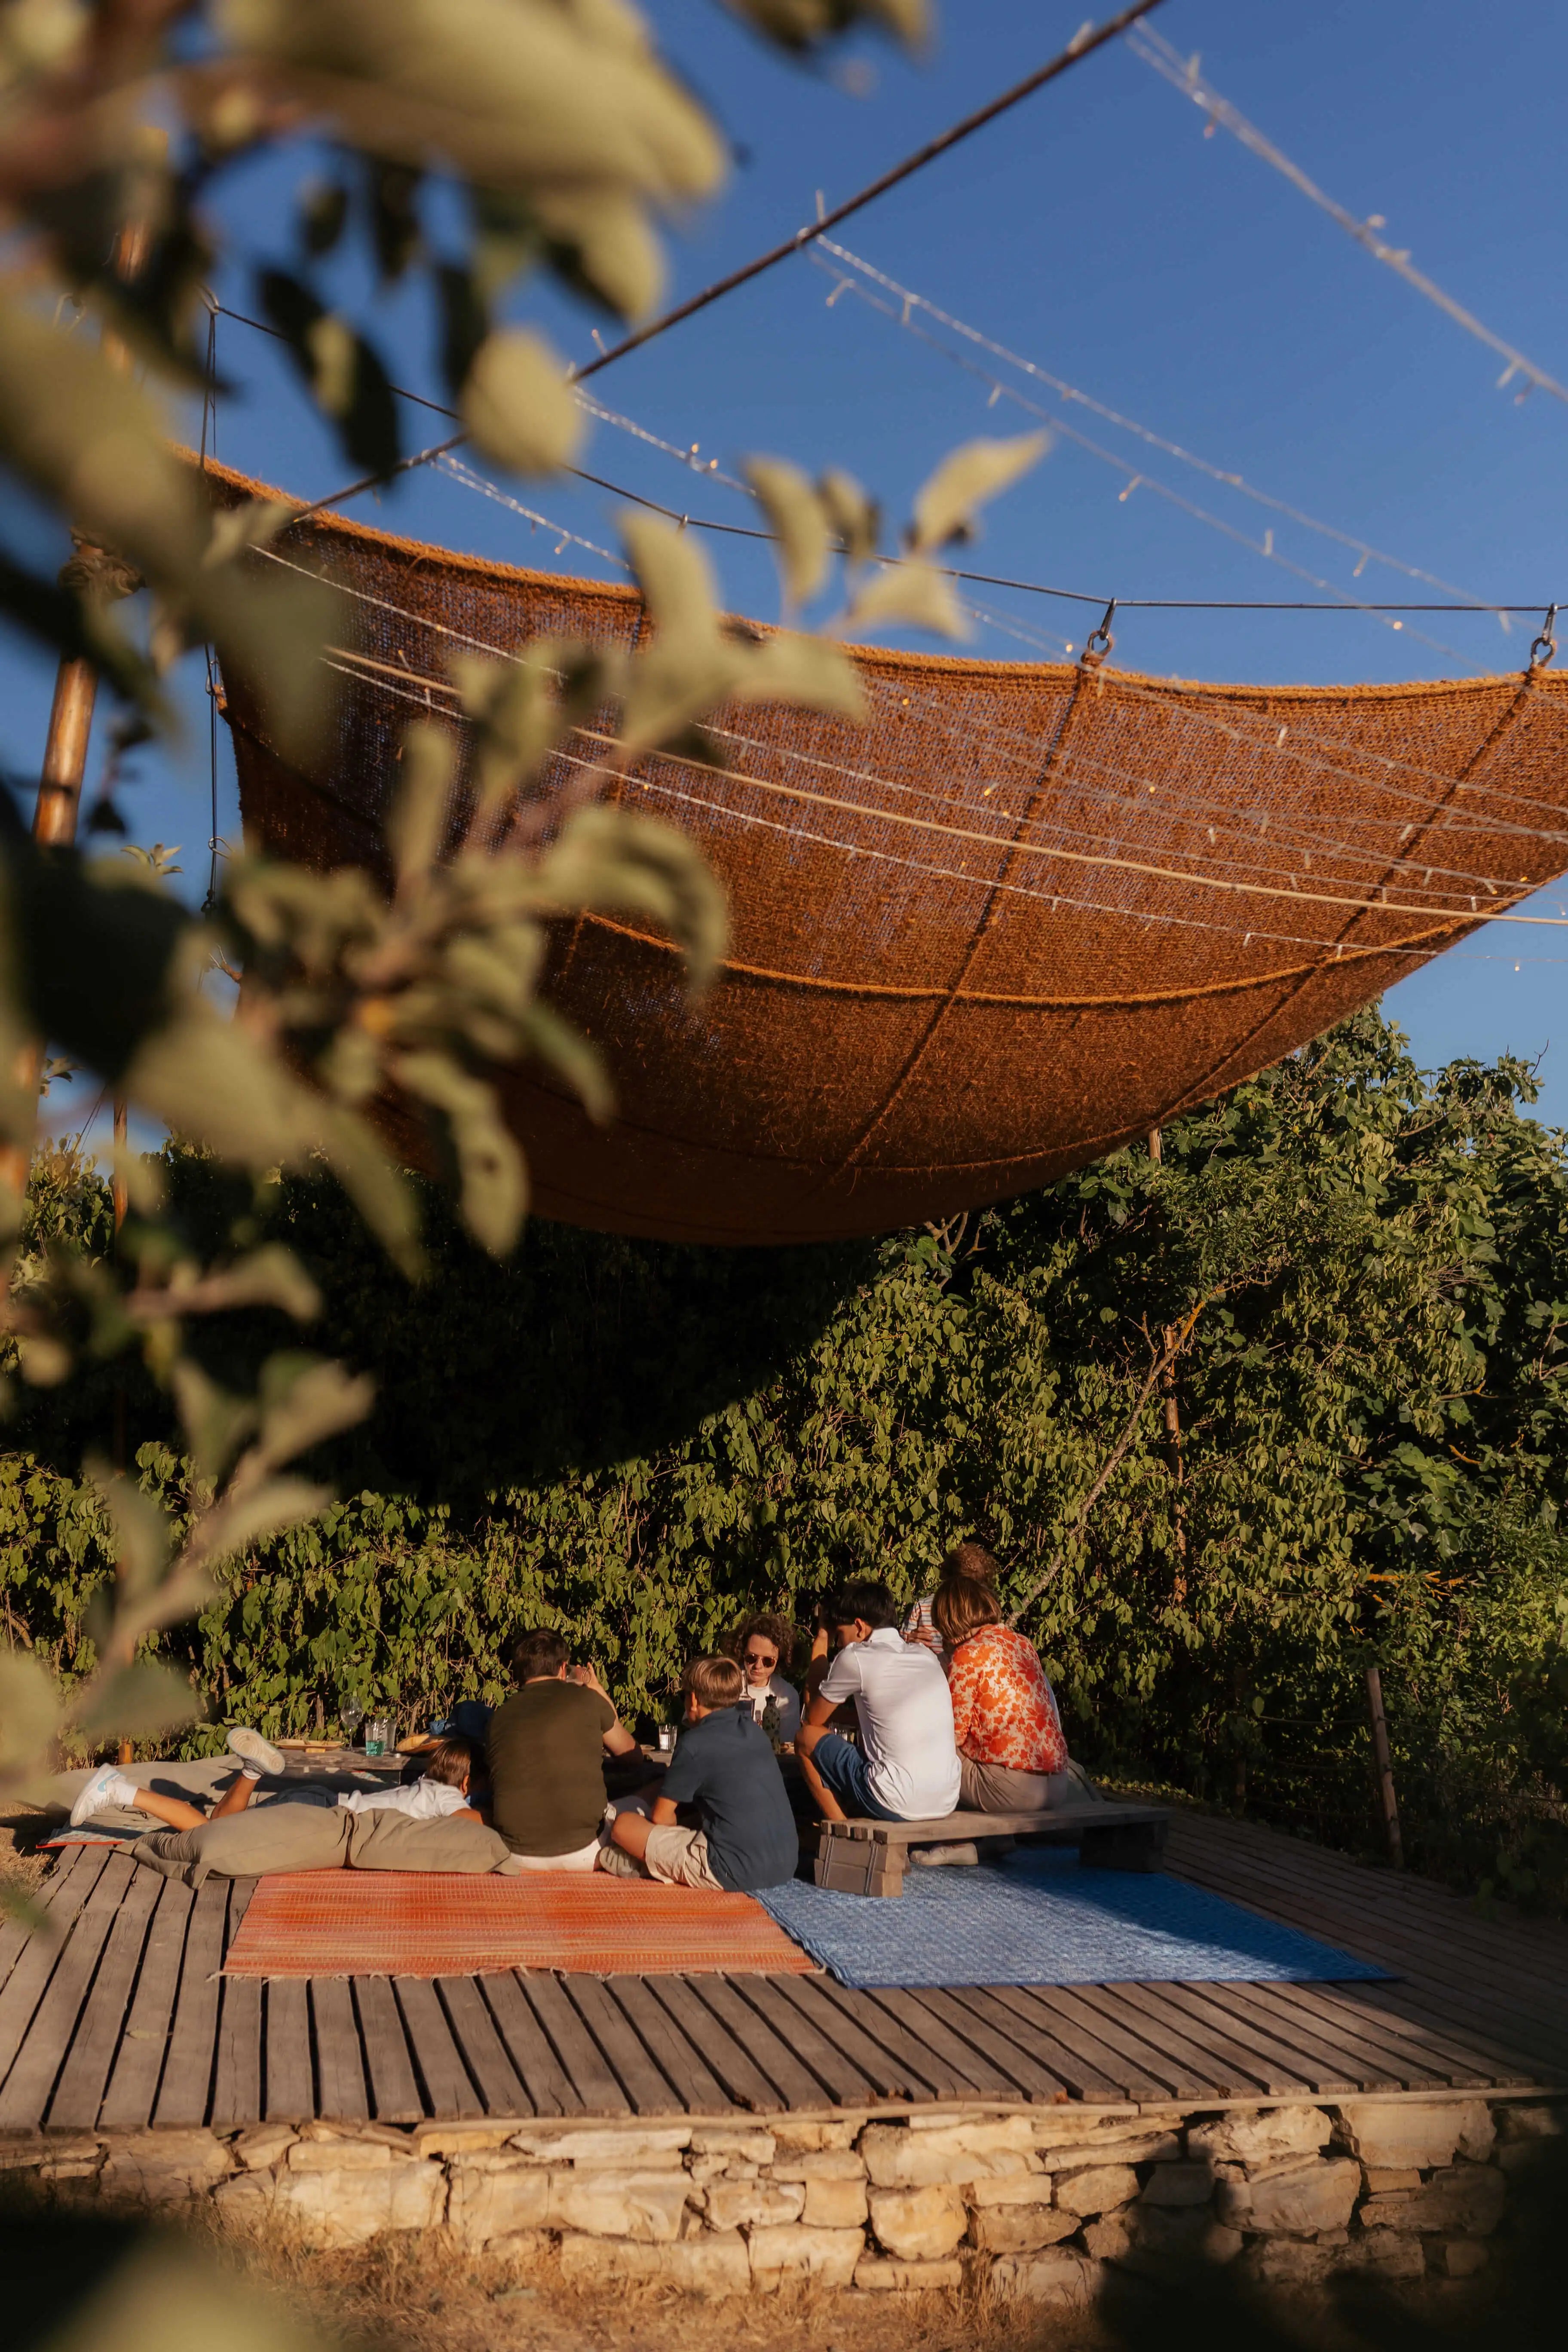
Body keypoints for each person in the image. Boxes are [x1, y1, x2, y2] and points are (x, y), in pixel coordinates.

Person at [603, 1654, 798, 1891]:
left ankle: (645, 1862)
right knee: (671, 1791)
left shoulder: (694, 1743)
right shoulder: (754, 1732)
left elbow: (662, 1819)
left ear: (694, 1700)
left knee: (624, 1826)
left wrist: (656, 1832)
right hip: (784, 1863)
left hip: (733, 1870)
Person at [70, 1728, 487, 1830]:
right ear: (467, 1783)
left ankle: (252, 1772)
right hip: (320, 1814)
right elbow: (472, 1827)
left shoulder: (429, 1788)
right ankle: (118, 1787)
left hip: (320, 1803)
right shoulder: (447, 1798)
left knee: (219, 1827)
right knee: (209, 1837)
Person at [795, 1577, 961, 1825]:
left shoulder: (855, 1657)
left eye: (840, 1634)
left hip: (896, 1802)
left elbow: (813, 1718)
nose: (839, 1643)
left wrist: (821, 1639)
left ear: (860, 1628)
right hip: (946, 1801)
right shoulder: (925, 1656)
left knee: (805, 1738)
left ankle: (843, 1831)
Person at [486, 1628, 642, 1871]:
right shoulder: (588, 1700)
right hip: (585, 1850)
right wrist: (596, 1688)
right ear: (563, 1668)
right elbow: (633, 1756)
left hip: (516, 1854)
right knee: (654, 1791)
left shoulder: (499, 1717)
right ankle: (612, 1855)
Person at [932, 1543, 1072, 1813]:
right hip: (1057, 1786)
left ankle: (944, 1836)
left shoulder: (966, 1655)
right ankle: (998, 1841)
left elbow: (952, 1736)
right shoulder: (1022, 1644)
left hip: (1011, 1791)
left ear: (948, 1623)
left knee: (932, 1747)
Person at [726, 1611, 802, 1743]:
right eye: (751, 1658)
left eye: (768, 1661)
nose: (758, 1666)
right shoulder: (725, 1683)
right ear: (742, 1652)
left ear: (780, 1660)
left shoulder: (786, 1695)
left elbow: (786, 1746)